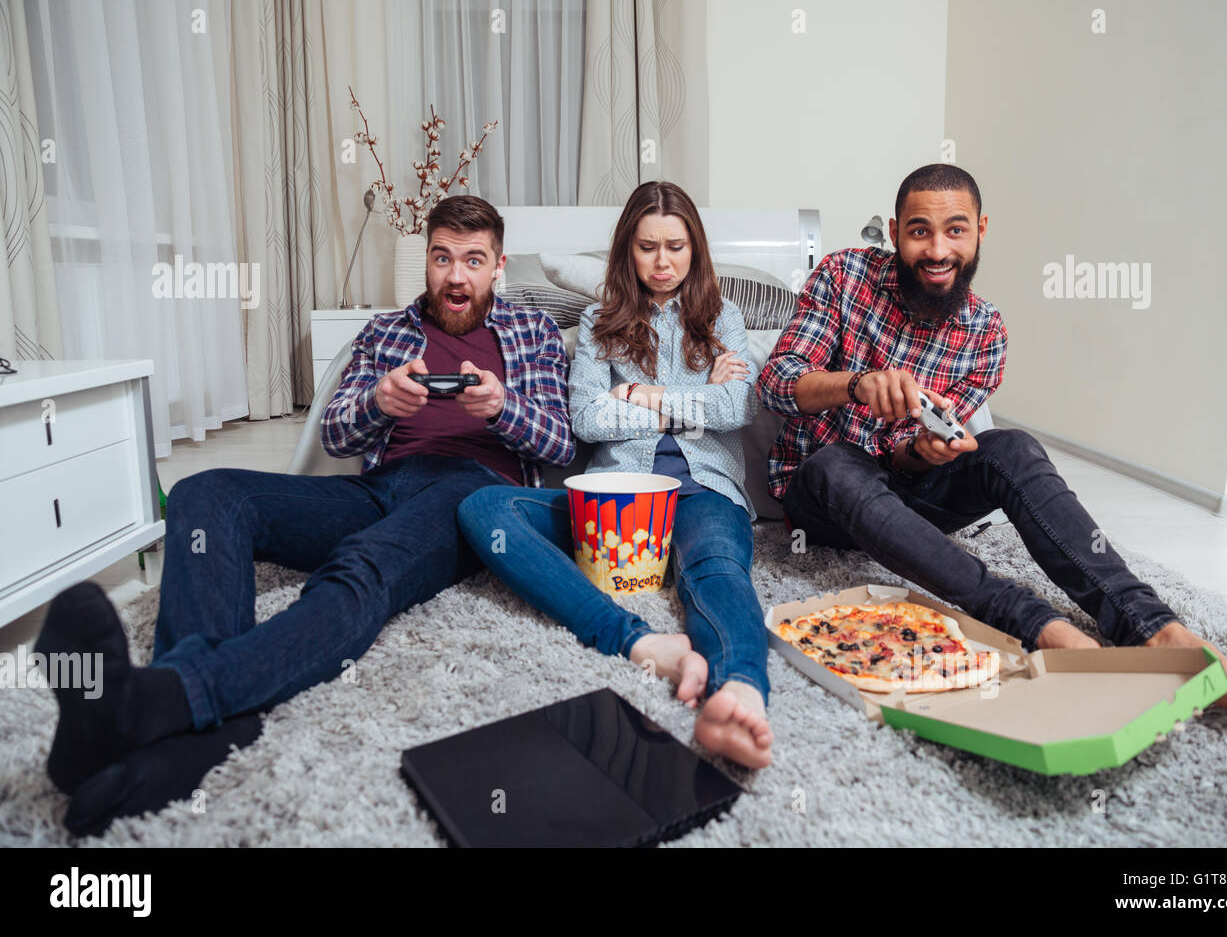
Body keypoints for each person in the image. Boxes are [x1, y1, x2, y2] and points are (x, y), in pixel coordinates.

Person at [35, 195, 575, 834]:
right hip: (377, 488)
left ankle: (162, 701)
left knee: (361, 565)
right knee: (204, 494)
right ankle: (203, 730)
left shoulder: (533, 333)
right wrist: (379, 401)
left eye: (473, 260)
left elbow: (560, 444)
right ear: (427, 262)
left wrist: (499, 408)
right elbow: (340, 437)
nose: (456, 276)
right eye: (442, 258)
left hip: (468, 495)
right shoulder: (384, 332)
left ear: (498, 266)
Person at [757, 163, 1227, 720]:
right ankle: (1039, 627)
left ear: (981, 231)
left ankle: (1155, 629)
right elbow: (775, 384)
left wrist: (924, 452)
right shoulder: (844, 276)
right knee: (834, 464)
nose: (938, 250)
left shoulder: (986, 331)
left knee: (1012, 447)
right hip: (822, 498)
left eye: (956, 230)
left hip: (902, 491)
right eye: (920, 232)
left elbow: (906, 458)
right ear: (895, 234)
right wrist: (857, 384)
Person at [457, 180, 775, 768]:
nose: (662, 262)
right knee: (484, 509)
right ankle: (636, 639)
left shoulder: (723, 317)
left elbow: (738, 409)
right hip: (618, 495)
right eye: (648, 246)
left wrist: (642, 392)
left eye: (676, 247)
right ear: (628, 250)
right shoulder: (599, 319)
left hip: (704, 489)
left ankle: (740, 688)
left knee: (718, 569)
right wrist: (696, 395)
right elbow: (588, 418)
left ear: (695, 250)